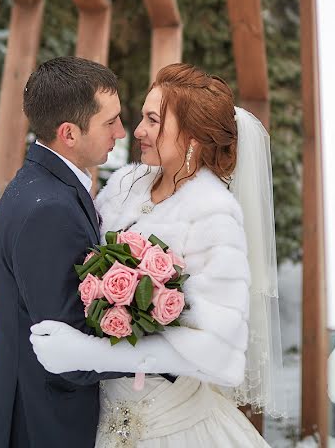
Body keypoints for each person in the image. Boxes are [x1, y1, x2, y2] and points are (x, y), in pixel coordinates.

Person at [30, 63, 285, 446]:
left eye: (153, 120)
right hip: (103, 421)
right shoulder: (124, 186)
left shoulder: (212, 214)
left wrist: (89, 353)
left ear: (192, 137)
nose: (136, 131)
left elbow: (218, 354)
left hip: (173, 428)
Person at [0, 57, 128, 447]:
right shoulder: (49, 209)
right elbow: (66, 352)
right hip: (44, 426)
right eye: (109, 122)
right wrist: (161, 352)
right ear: (69, 133)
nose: (121, 131)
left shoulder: (41, 185)